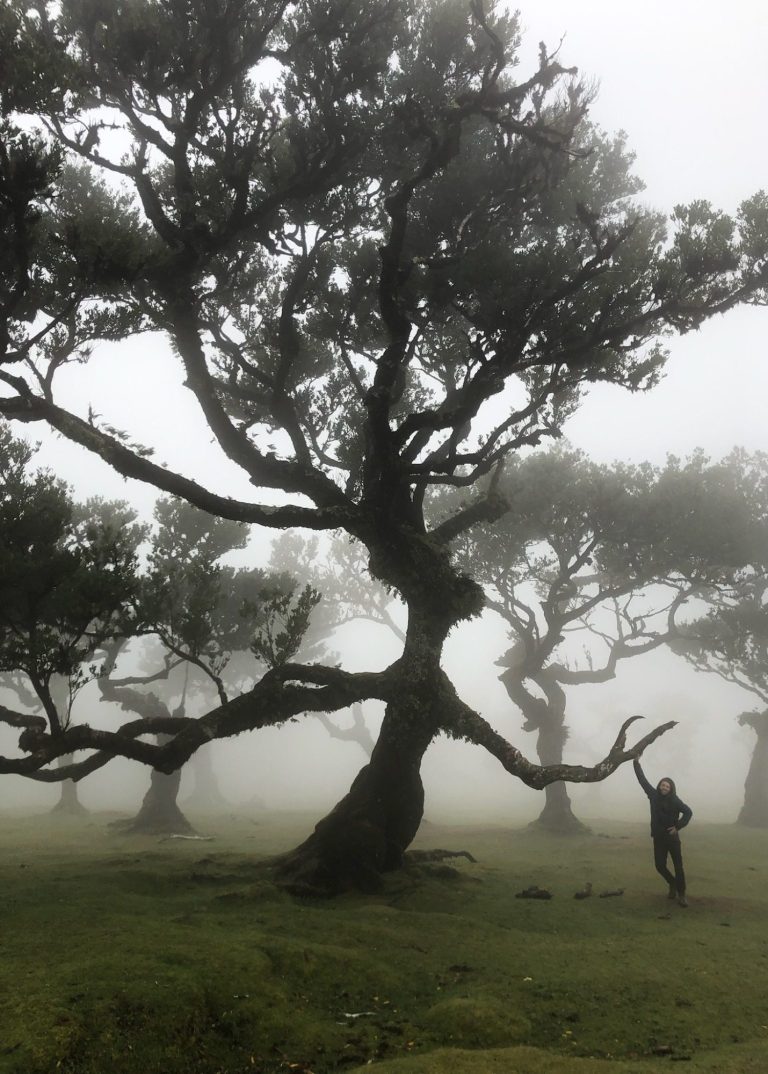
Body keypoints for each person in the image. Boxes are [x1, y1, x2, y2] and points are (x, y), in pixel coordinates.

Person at [633, 757, 693, 907]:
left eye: (667, 786)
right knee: (659, 865)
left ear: (671, 788)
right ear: (659, 786)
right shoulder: (653, 796)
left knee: (678, 866)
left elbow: (688, 812)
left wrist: (677, 827)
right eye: (662, 785)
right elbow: (642, 781)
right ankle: (672, 883)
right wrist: (636, 763)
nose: (664, 788)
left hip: (672, 839)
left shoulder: (675, 801)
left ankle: (682, 895)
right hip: (658, 838)